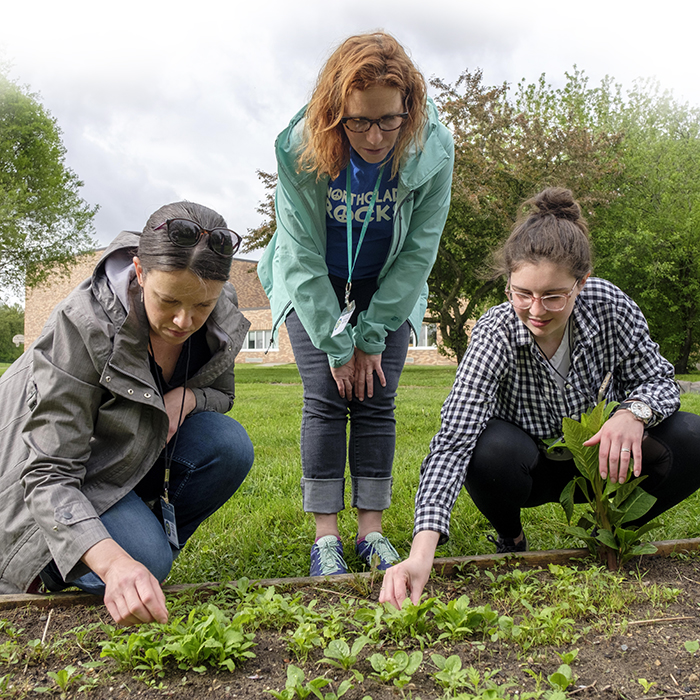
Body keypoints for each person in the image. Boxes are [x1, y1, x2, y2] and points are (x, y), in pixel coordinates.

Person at [380, 187, 700, 608]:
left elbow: (659, 379)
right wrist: (421, 555)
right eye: (521, 293)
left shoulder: (609, 306)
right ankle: (511, 538)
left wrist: (631, 414)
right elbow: (453, 441)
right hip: (526, 465)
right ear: (509, 283)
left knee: (693, 435)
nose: (535, 310)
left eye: (553, 296)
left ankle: (611, 528)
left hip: (600, 461)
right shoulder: (496, 332)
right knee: (486, 449)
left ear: (581, 284)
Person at [0, 202, 255, 625]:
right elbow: (48, 474)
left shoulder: (220, 311)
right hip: (52, 476)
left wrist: (186, 399)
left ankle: (130, 549)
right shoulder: (83, 326)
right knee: (143, 560)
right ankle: (58, 565)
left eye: (202, 306)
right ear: (139, 272)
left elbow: (222, 394)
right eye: (168, 299)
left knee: (228, 445)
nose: (183, 320)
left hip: (124, 456)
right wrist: (117, 564)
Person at [258, 31, 454, 576]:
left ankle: (371, 533)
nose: (374, 136)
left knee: (376, 397)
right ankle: (326, 539)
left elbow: (419, 251)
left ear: (409, 108)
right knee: (325, 394)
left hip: (386, 282)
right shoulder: (300, 148)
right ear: (333, 113)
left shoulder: (433, 149)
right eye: (358, 121)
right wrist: (336, 342)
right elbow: (298, 253)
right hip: (315, 280)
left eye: (388, 120)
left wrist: (370, 336)